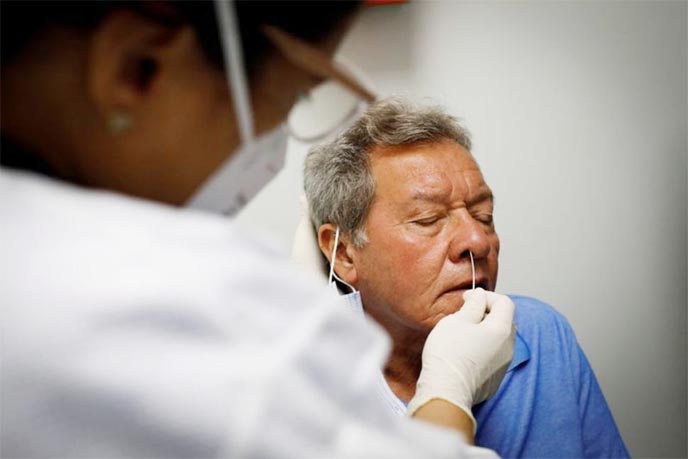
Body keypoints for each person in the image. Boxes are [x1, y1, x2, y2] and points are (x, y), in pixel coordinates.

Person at [1, 2, 516, 457]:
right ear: (137, 66)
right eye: (292, 97)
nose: (475, 241)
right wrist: (448, 387)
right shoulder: (203, 311)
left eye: (484, 215)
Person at [300, 96, 630, 458]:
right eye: (428, 220)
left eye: (484, 215)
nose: (476, 242)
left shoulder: (541, 335)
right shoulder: (298, 382)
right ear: (344, 251)